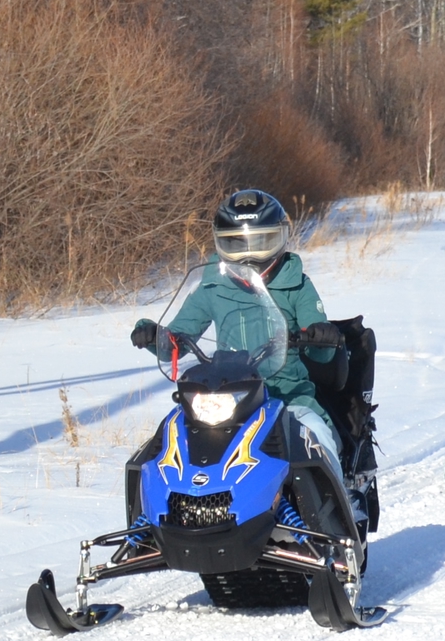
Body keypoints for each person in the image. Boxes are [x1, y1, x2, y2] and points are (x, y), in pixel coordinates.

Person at [132, 189, 350, 468]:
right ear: (220, 244)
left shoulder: (295, 284)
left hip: (288, 396)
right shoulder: (212, 287)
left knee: (315, 438)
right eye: (236, 244)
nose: (249, 257)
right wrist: (154, 336)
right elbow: (177, 340)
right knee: (168, 446)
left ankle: (338, 506)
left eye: (261, 242)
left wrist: (322, 335)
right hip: (228, 397)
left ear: (280, 238)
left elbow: (320, 348)